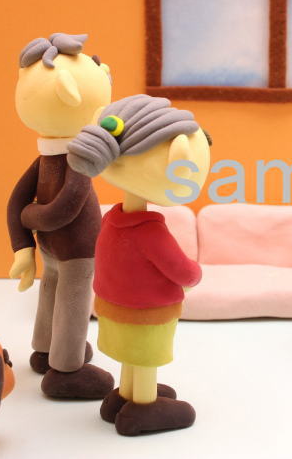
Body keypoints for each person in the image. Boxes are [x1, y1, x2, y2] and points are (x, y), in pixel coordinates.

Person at [68, 94, 211, 435]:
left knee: (129, 354)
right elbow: (181, 269)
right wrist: (195, 274)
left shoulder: (112, 218)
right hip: (147, 311)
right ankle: (144, 406)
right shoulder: (149, 230)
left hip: (112, 306)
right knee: (145, 358)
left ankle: (125, 395)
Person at [7, 33, 114, 399]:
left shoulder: (51, 158)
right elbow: (58, 211)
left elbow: (22, 204)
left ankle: (45, 348)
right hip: (77, 248)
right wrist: (27, 229)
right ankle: (67, 368)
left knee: (51, 288)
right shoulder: (75, 160)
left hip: (52, 245)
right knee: (73, 299)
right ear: (71, 94)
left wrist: (26, 228)